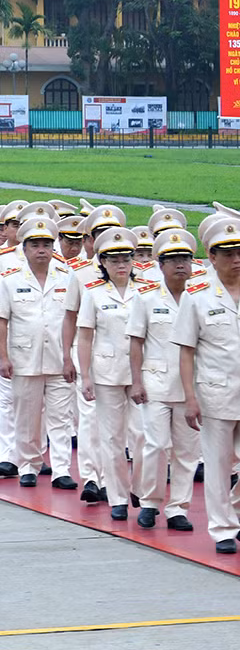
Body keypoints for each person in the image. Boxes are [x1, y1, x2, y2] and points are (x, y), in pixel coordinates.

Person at [172, 216, 240, 553]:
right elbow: (186, 351)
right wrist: (189, 398)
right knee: (217, 464)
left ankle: (239, 511)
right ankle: (223, 529)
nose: (236, 259)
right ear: (212, 257)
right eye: (227, 254)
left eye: (239, 252)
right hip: (215, 392)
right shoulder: (196, 295)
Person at [127, 229, 198, 531]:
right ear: (161, 265)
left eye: (185, 259)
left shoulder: (201, 297)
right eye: (173, 259)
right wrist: (136, 381)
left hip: (191, 387)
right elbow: (135, 342)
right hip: (155, 382)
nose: (181, 265)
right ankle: (149, 502)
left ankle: (178, 507)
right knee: (155, 445)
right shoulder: (146, 298)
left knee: (186, 452)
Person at [0, 215, 78, 490]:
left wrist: (70, 357)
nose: (41, 250)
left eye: (46, 244)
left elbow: (74, 318)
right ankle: (28, 466)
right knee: (27, 417)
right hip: (24, 358)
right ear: (24, 248)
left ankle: (61, 470)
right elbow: (2, 320)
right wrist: (3, 357)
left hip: (60, 357)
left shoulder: (67, 276)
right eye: (35, 245)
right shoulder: (9, 279)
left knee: (61, 418)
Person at [72, 226, 140, 519]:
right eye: (114, 260)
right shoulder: (94, 293)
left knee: (143, 436)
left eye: (126, 259)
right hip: (107, 372)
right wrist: (85, 375)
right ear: (103, 262)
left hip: (141, 373)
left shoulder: (146, 290)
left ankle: (140, 488)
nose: (121, 265)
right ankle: (118, 497)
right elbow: (85, 336)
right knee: (112, 438)